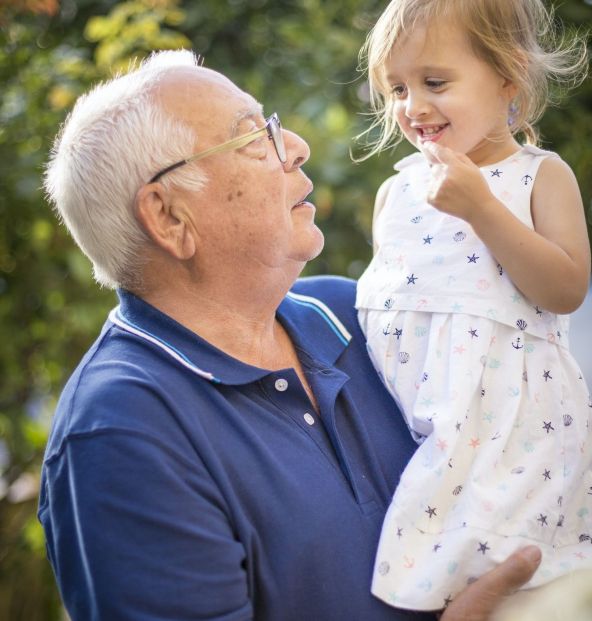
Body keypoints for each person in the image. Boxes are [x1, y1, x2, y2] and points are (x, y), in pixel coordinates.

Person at [38, 49, 541, 621]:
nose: (297, 145)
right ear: (170, 217)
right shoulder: (122, 431)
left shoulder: (356, 311)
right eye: (254, 138)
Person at [355, 0, 592, 613]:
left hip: (507, 428)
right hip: (413, 424)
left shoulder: (539, 176)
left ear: (507, 78)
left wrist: (482, 210)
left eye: (435, 82)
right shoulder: (397, 191)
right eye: (398, 88)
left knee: (505, 576)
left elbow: (565, 288)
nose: (413, 106)